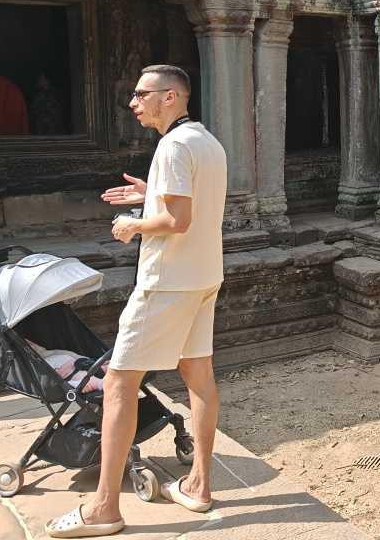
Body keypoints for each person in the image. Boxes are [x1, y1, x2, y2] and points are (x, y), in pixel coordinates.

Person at [46, 65, 227, 539]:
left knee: (119, 384)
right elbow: (190, 205)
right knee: (199, 375)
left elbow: (178, 221)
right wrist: (152, 199)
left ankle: (104, 507)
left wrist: (133, 224)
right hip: (204, 276)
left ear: (170, 97)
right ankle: (199, 485)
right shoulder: (206, 141)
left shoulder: (171, 145)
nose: (133, 102)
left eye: (142, 94)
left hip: (166, 283)